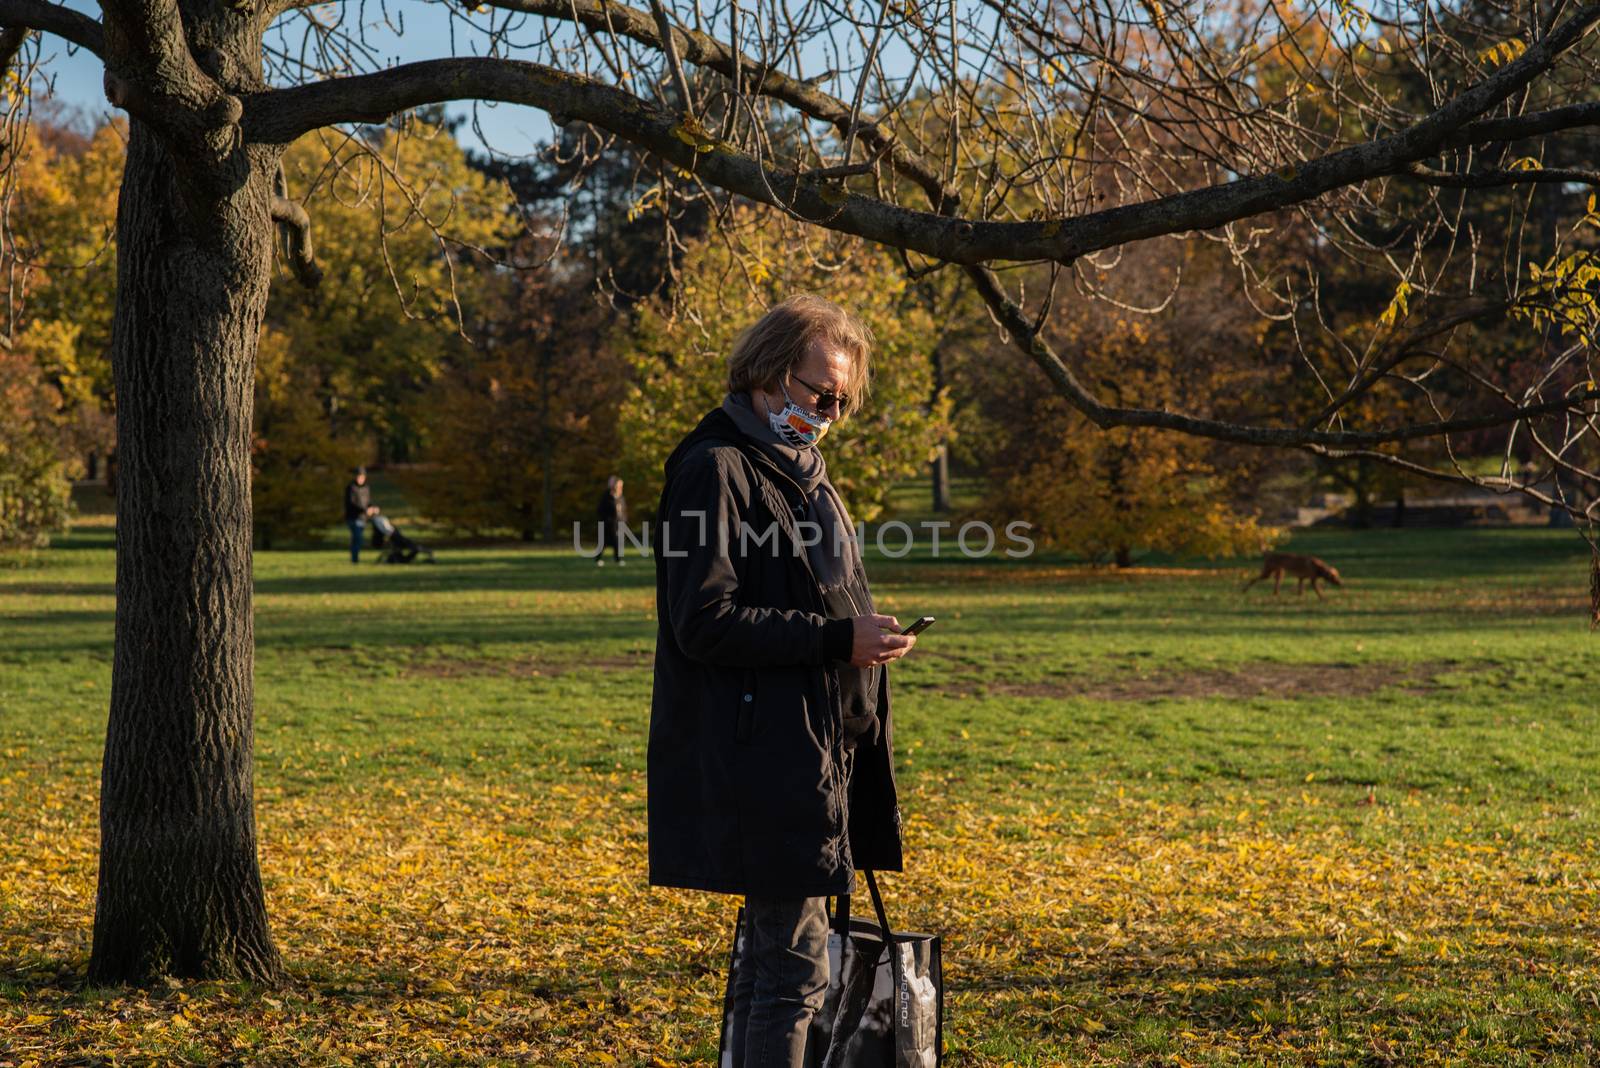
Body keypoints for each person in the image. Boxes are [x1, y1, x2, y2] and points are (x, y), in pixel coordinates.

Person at [648, 295, 916, 1067]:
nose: (829, 412)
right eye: (818, 393)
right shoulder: (716, 469)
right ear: (767, 374)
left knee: (785, 968)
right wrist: (837, 638)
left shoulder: (803, 474)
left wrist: (865, 636)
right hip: (764, 761)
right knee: (789, 974)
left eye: (842, 401)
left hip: (816, 753)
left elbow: (813, 594)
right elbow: (703, 621)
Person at [343, 466, 374, 563]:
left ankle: (354, 558)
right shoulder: (351, 488)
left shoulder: (366, 488)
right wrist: (365, 510)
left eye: (361, 476)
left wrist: (372, 508)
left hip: (362, 518)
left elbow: (368, 501)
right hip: (353, 517)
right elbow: (351, 504)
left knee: (357, 539)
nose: (359, 478)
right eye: (358, 476)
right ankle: (354, 559)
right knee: (357, 538)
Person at [595, 475, 628, 566]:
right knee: (603, 542)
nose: (620, 488)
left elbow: (623, 511)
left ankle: (618, 559)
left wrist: (624, 521)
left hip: (619, 524)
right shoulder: (606, 497)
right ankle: (598, 559)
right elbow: (600, 510)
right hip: (608, 524)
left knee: (618, 542)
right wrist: (608, 520)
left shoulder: (621, 497)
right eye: (618, 485)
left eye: (621, 486)